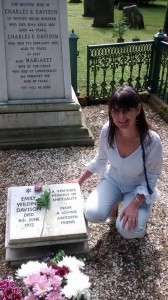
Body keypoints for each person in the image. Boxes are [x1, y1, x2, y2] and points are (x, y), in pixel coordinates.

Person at [72, 85, 163, 239]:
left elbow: (152, 177)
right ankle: (115, 203)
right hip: (113, 181)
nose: (121, 117)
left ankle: (143, 209)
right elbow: (100, 159)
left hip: (137, 188)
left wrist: (135, 204)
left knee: (129, 230)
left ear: (138, 110)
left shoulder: (151, 141)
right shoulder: (107, 131)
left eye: (127, 109)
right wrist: (78, 181)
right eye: (115, 110)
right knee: (92, 213)